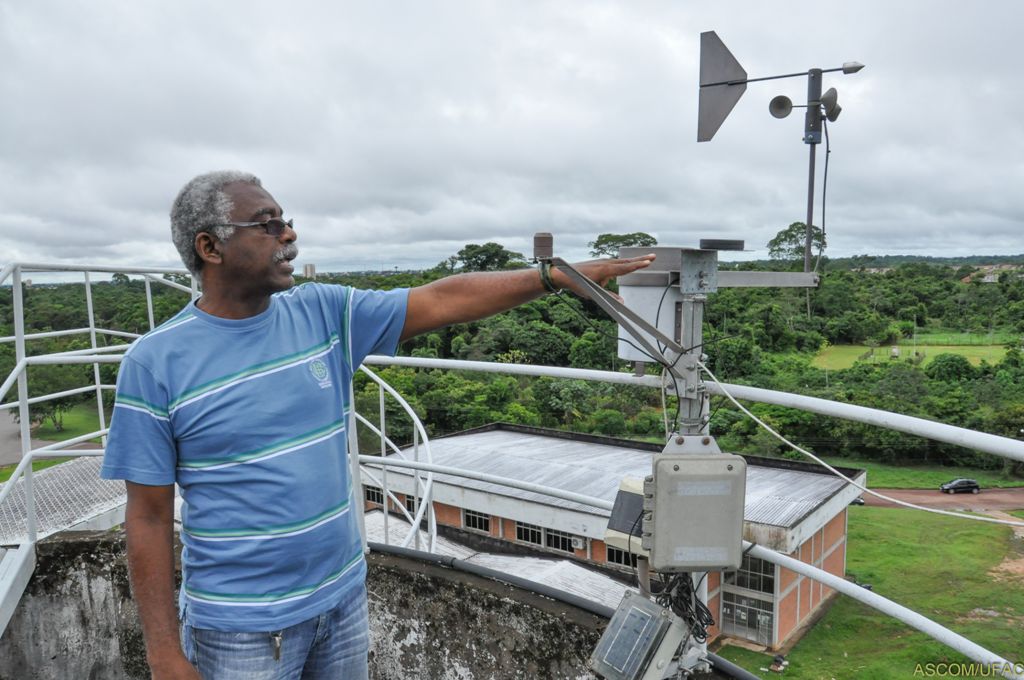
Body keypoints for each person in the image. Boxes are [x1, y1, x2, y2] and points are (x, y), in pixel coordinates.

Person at [100, 170, 654, 679]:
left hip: (341, 600)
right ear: (210, 247)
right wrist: (164, 655)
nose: (288, 234)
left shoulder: (322, 313)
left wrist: (552, 277)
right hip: (241, 628)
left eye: (286, 220)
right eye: (267, 224)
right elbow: (148, 515)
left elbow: (443, 298)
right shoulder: (156, 363)